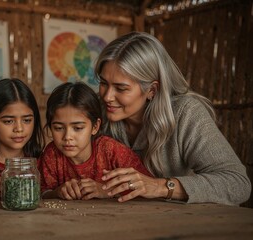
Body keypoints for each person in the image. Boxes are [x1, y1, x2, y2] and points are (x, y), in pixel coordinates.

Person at [96, 31, 251, 205]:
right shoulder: (96, 113)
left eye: (121, 88)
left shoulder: (186, 113)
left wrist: (160, 187)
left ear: (152, 90)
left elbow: (238, 184)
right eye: (103, 83)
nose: (107, 96)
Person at [39, 82, 151, 200]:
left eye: (77, 128)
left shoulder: (111, 151)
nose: (67, 137)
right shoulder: (51, 154)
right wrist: (57, 192)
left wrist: (107, 191)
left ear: (95, 127)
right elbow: (41, 192)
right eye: (58, 128)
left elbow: (145, 186)